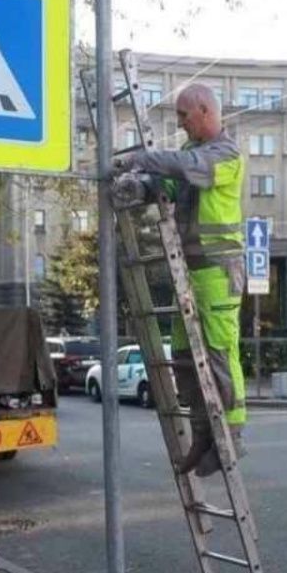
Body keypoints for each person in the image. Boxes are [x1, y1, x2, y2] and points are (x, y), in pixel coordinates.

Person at [113, 84, 246, 477]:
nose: (181, 124)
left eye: (184, 116)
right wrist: (140, 186)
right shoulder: (192, 156)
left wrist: (142, 159)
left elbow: (186, 170)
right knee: (185, 358)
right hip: (190, 270)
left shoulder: (226, 155)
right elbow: (170, 184)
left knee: (220, 353)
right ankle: (204, 436)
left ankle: (230, 439)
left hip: (218, 270)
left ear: (205, 110)